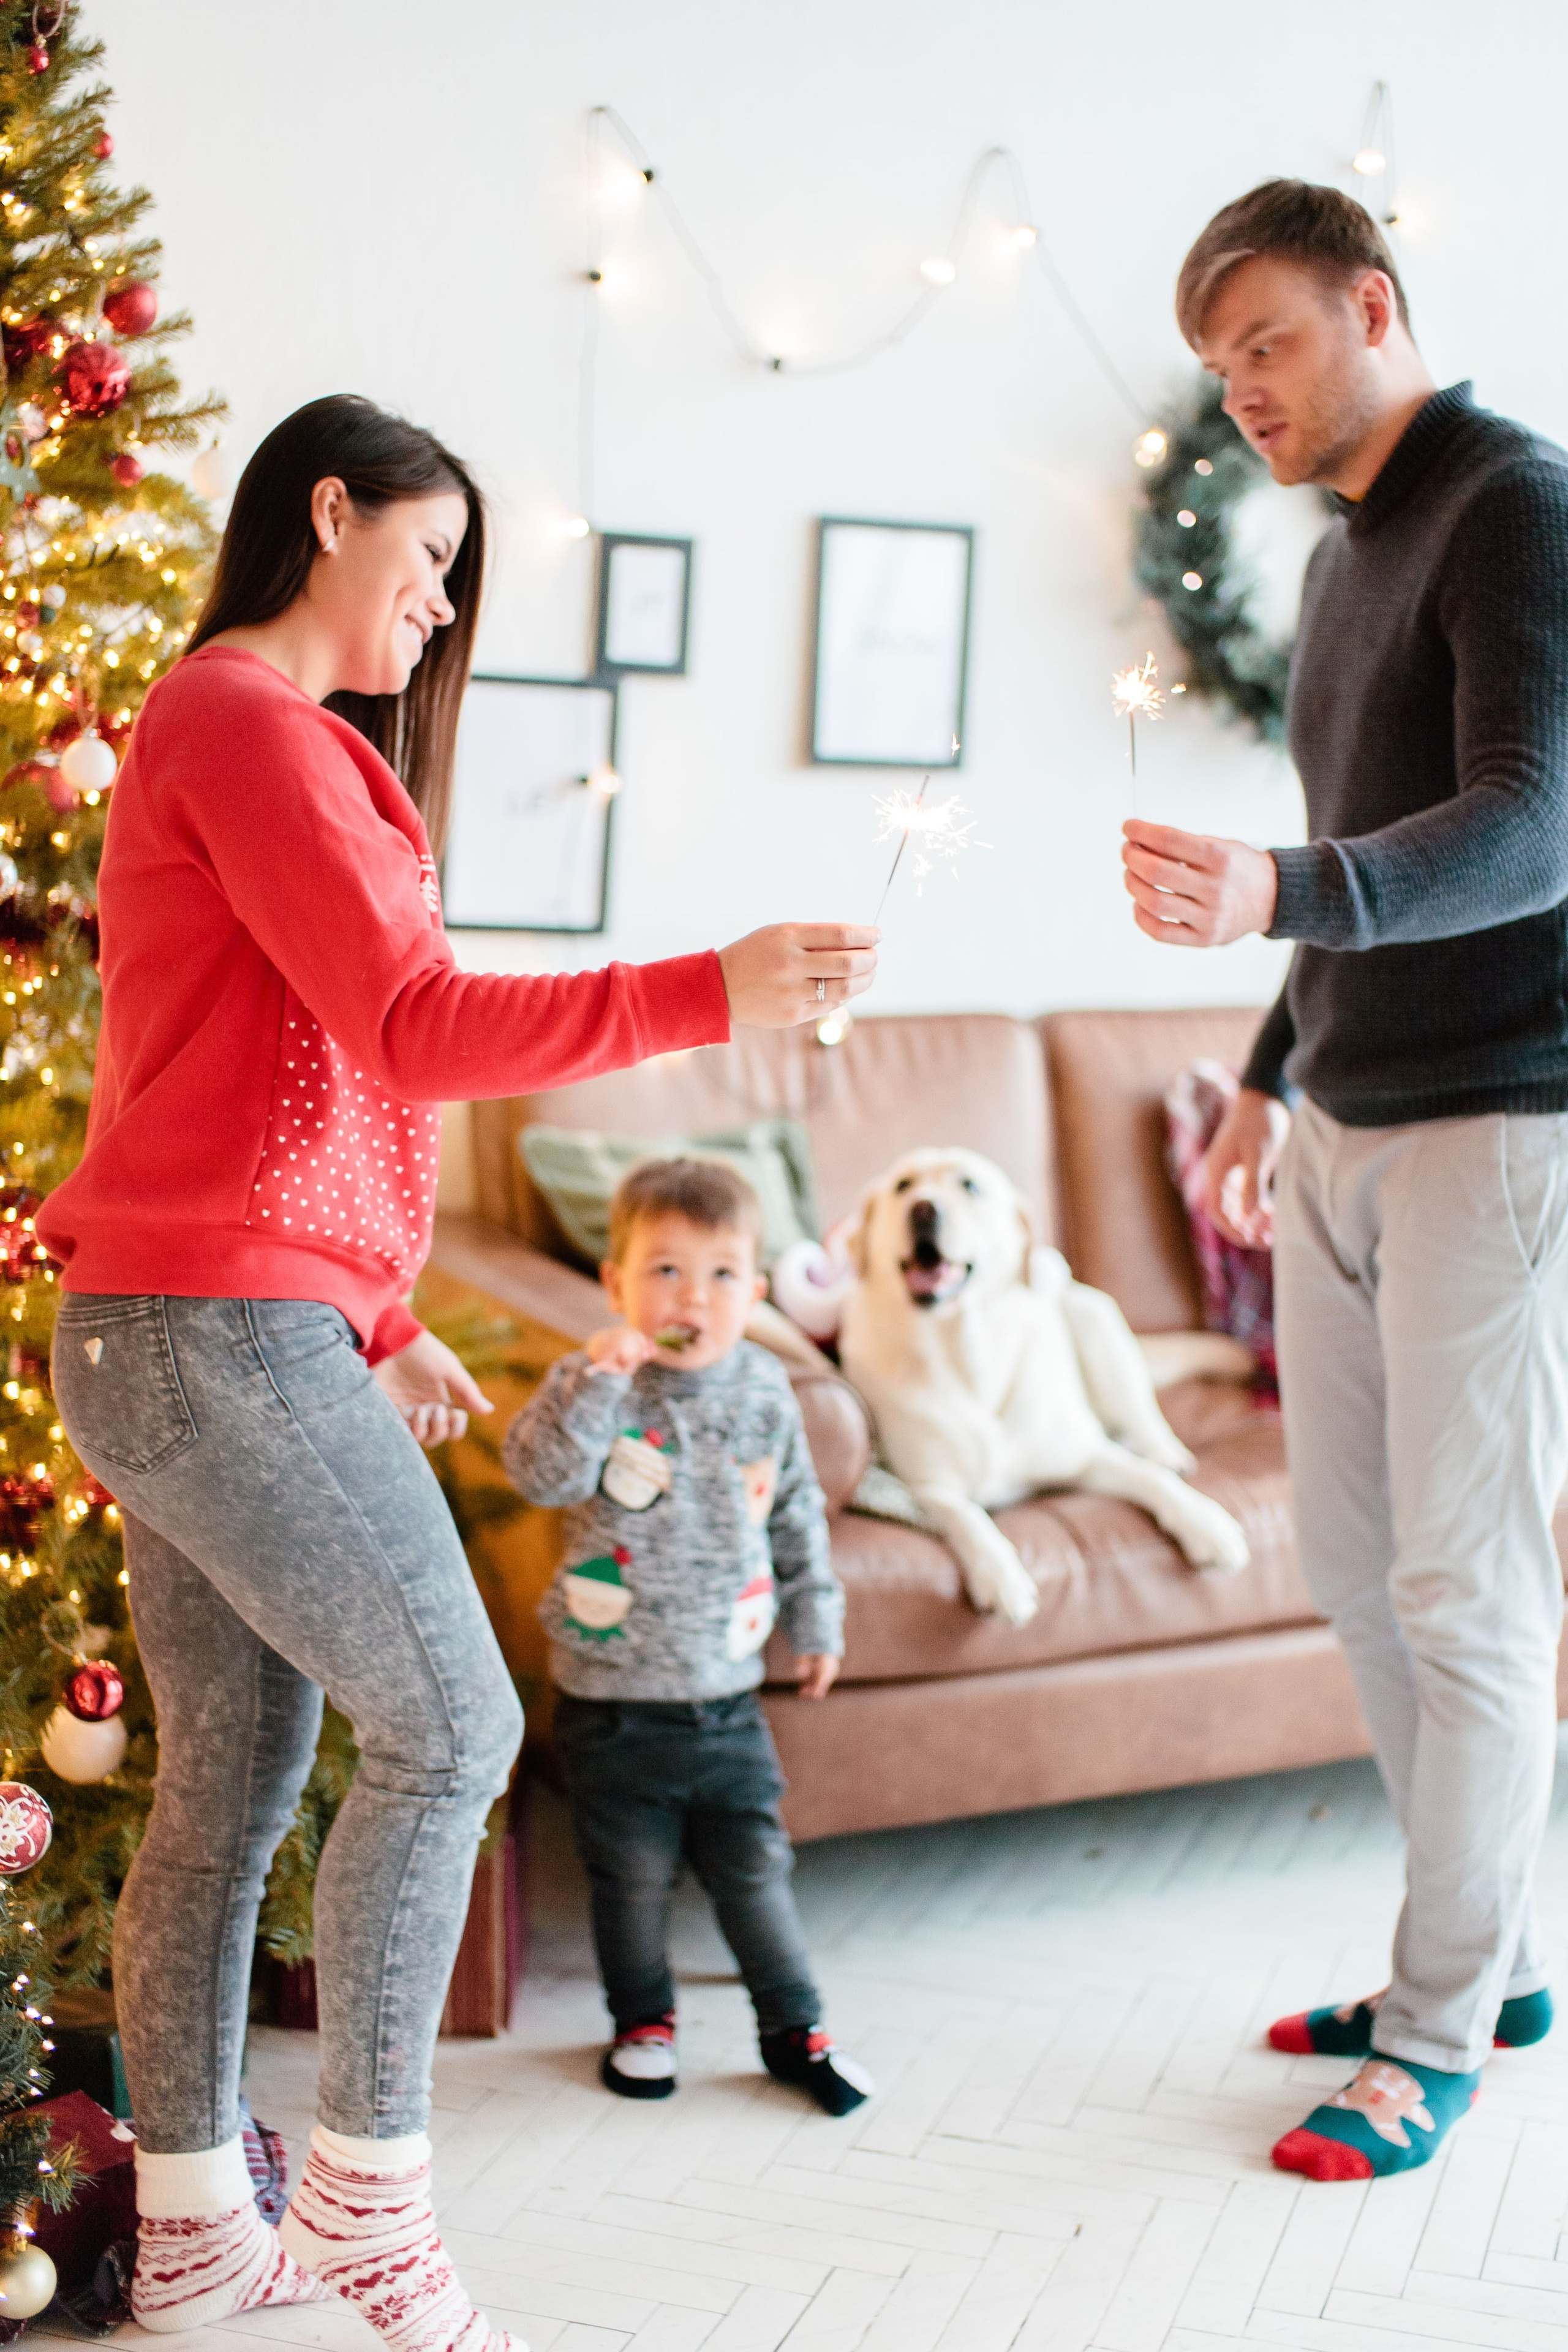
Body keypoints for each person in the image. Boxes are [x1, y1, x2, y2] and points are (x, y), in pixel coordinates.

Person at [40, 393, 877, 2349]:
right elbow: (411, 1028)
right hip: (211, 1337)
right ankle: (366, 2204)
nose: (435, 607)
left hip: (198, 1324)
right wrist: (708, 990)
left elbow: (270, 1082)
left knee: (228, 1794)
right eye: (423, 559)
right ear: (326, 513)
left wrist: (390, 1315)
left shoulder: (270, 743)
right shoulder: (243, 720)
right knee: (456, 1732)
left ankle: (192, 2236)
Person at [1119, 180, 1568, 2184]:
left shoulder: (1519, 505)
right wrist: (1257, 1078)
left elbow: (1531, 828)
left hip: (1503, 1123)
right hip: (1343, 1119)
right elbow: (1356, 850)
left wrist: (1282, 892)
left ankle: (1440, 2023)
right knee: (1359, 1577)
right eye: (1221, 372)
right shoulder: (1345, 564)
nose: (1245, 400)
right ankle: (1493, 1956)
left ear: (1375, 305)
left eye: (1271, 347)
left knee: (1470, 1593)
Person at [502, 1156, 872, 2116]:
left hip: (724, 1698)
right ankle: (643, 2021)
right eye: (665, 1271)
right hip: (608, 1700)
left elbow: (796, 1515)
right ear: (617, 1285)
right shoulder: (596, 1385)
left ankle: (796, 2026)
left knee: (754, 1869)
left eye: (719, 1276)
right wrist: (592, 1381)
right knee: (628, 1878)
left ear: (752, 1294)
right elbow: (539, 1475)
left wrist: (818, 1615)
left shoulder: (763, 1391)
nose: (692, 1298)